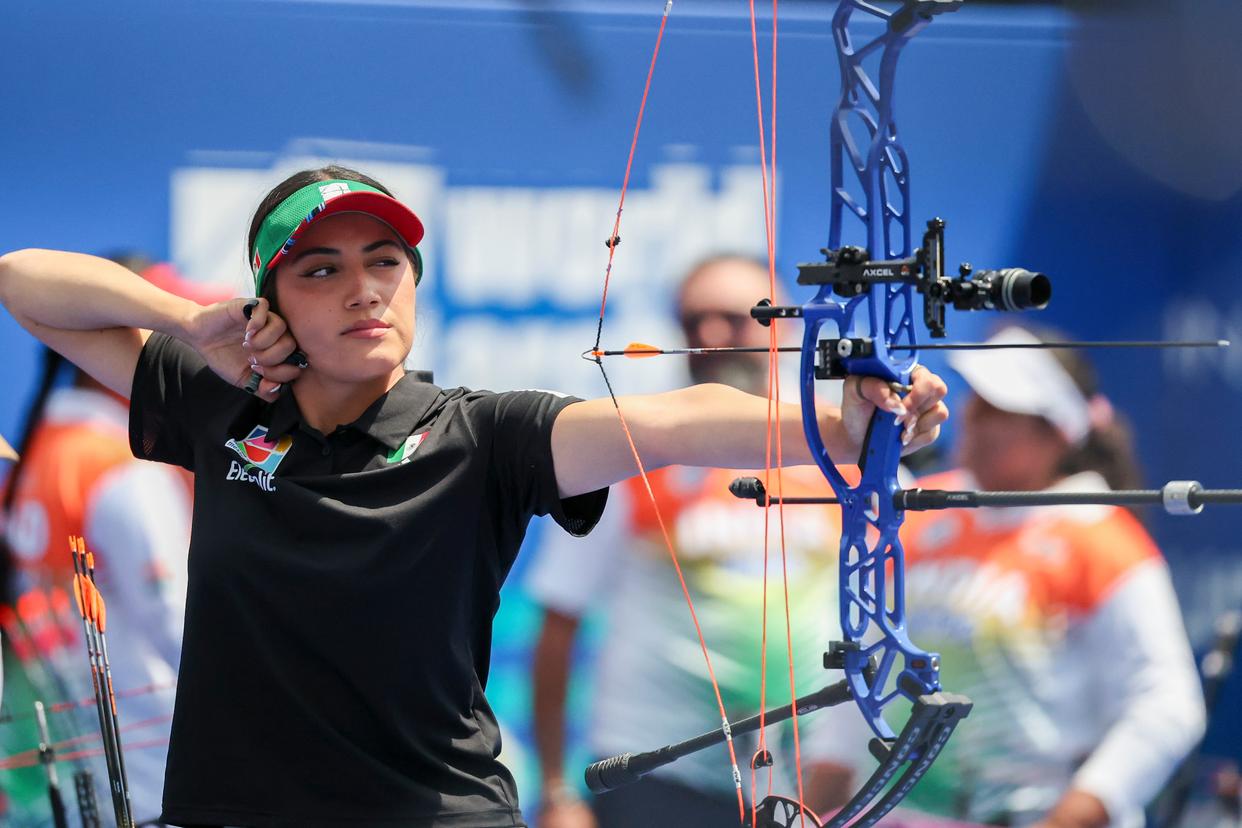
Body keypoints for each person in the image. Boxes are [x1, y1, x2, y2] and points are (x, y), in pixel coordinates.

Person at [0, 165, 949, 828]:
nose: (363, 289)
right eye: (319, 270)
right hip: (231, 814)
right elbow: (24, 284)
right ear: (271, 302)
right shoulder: (221, 404)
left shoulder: (481, 433)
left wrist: (844, 427)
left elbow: (675, 420)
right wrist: (184, 318)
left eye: (385, 262)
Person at [527, 255, 862, 828]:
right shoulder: (629, 452)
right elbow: (559, 625)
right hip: (654, 773)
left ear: (782, 325)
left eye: (735, 318)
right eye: (692, 320)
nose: (709, 336)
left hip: (805, 779)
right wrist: (558, 792)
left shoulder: (844, 451)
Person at [893, 326, 1205, 828]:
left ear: (1057, 430)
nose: (976, 418)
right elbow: (867, 669)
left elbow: (1169, 706)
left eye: (1004, 409)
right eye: (979, 400)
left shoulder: (1097, 533)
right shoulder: (920, 511)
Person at [0, 255, 230, 823]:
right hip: (154, 779)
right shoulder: (121, 467)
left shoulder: (41, 447)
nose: (193, 358)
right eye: (170, 337)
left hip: (78, 774)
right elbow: (189, 632)